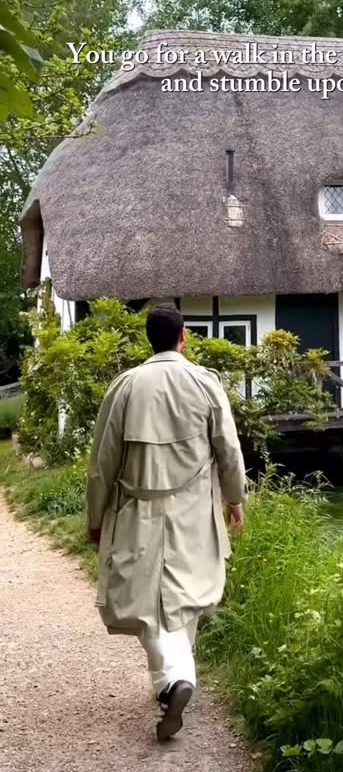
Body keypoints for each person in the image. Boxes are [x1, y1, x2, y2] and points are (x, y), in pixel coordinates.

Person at [86, 304, 246, 741]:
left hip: (137, 510)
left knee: (146, 602)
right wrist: (235, 500)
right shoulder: (206, 383)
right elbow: (229, 451)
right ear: (185, 337)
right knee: (185, 597)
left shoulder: (125, 387)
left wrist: (95, 517)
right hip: (194, 511)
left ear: (148, 338)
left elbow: (102, 464)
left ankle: (173, 681)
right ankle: (175, 679)